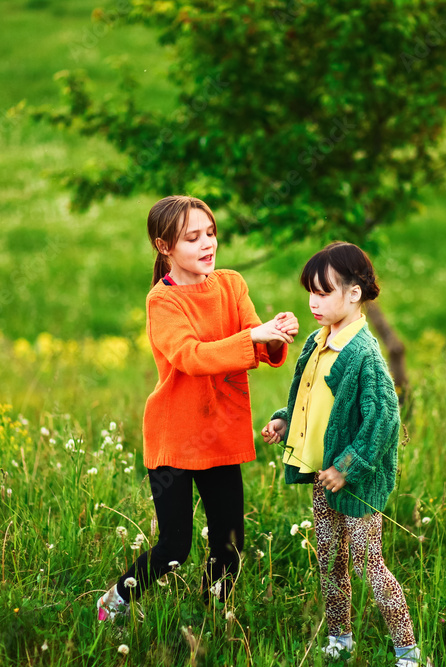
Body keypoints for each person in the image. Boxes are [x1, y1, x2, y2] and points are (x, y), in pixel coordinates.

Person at [97, 195, 299, 620]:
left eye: (211, 233)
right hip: (175, 436)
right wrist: (255, 337)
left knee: (229, 544)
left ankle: (210, 620)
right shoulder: (162, 301)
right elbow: (192, 357)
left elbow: (258, 345)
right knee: (175, 548)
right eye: (193, 238)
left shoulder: (231, 284)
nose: (207, 244)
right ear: (164, 246)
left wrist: (276, 334)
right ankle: (113, 602)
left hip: (221, 433)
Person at [261, 242, 422, 665]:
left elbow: (384, 421)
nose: (313, 302)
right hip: (321, 473)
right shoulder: (318, 341)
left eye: (324, 292)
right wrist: (283, 419)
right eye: (310, 293)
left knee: (370, 564)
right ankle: (340, 640)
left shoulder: (365, 354)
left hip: (357, 481)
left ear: (354, 293)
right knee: (330, 558)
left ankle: (407, 650)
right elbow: (310, 400)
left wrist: (346, 467)